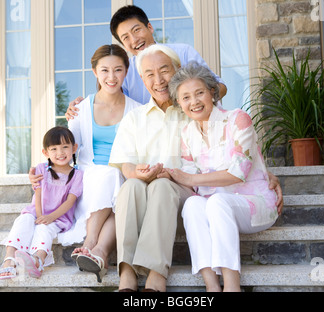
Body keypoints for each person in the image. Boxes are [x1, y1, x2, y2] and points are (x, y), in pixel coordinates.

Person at [109, 45, 283, 292]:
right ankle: (127, 275)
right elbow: (126, 165)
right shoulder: (147, 120)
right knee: (131, 186)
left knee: (165, 187)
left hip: (193, 196)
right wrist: (138, 173)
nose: (158, 80)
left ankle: (159, 276)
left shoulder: (200, 113)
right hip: (185, 200)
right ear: (141, 79)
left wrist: (267, 176)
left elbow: (240, 157)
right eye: (149, 74)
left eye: (164, 70)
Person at [30, 45, 141, 282]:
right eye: (105, 70)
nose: (111, 77)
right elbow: (66, 154)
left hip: (122, 176)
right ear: (95, 72)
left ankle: (96, 250)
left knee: (117, 181)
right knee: (109, 177)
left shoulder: (137, 111)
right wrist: (42, 172)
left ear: (126, 71)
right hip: (89, 179)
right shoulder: (80, 109)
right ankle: (95, 245)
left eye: (118, 70)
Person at [167, 62, 281, 292]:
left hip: (254, 203)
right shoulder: (187, 133)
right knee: (191, 205)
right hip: (215, 207)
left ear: (212, 92)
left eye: (199, 93)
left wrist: (189, 180)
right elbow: (190, 176)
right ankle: (212, 286)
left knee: (217, 202)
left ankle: (231, 287)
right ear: (179, 103)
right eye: (186, 97)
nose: (194, 102)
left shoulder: (238, 119)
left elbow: (238, 173)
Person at [65, 5, 227, 120]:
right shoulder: (126, 71)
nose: (134, 40)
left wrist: (193, 104)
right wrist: (83, 106)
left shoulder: (183, 52)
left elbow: (220, 87)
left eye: (137, 30)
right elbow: (111, 103)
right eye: (126, 37)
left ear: (149, 27)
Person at [0, 127, 83, 280]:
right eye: (54, 149)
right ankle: (9, 259)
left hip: (59, 217)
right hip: (36, 211)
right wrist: (39, 215)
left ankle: (38, 260)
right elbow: (38, 194)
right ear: (46, 152)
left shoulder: (77, 175)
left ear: (74, 148)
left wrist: (49, 218)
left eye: (65, 147)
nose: (60, 152)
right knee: (23, 220)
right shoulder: (41, 169)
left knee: (44, 229)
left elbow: (70, 201)